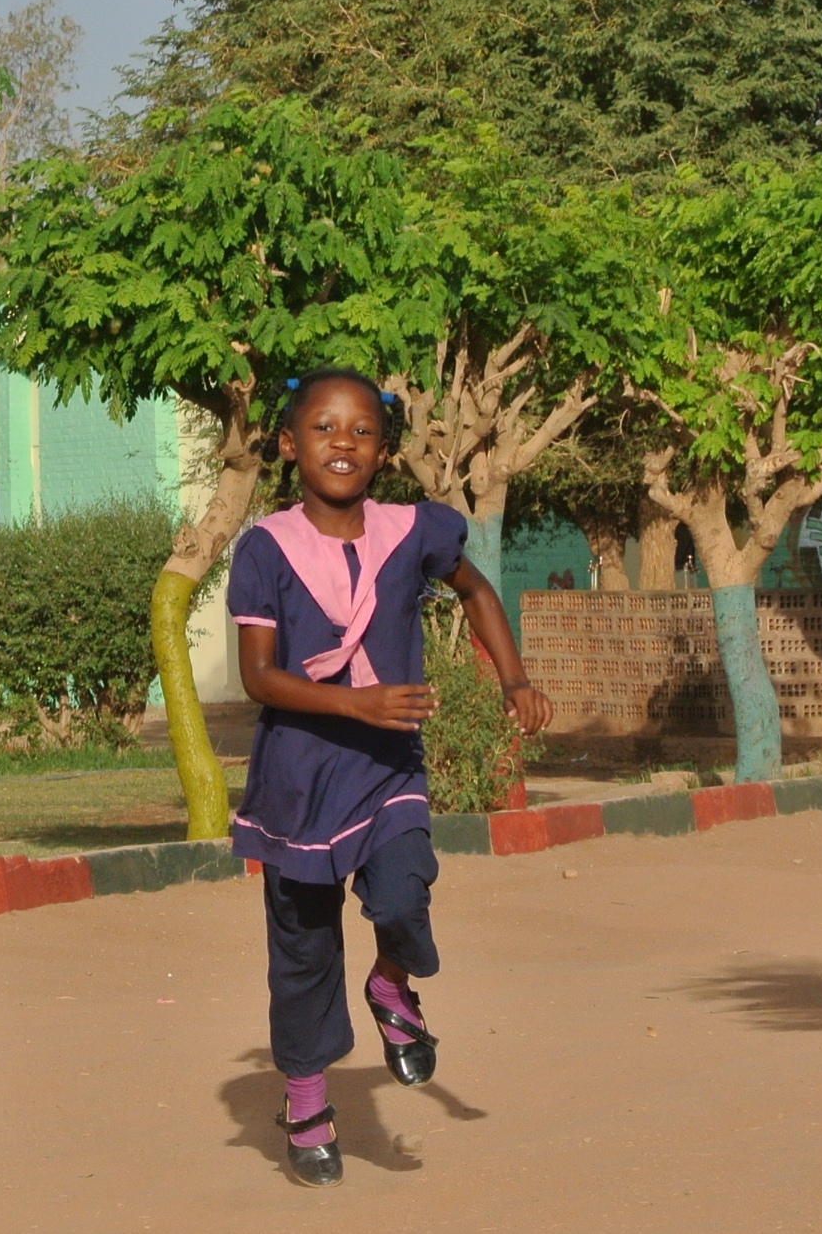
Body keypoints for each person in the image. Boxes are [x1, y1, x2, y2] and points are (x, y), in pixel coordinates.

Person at [227, 368, 554, 1189]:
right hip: (299, 779)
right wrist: (358, 701)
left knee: (405, 894)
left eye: (363, 430)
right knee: (302, 949)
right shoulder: (266, 547)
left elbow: (475, 590)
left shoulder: (412, 531)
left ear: (384, 449)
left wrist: (513, 678)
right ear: (288, 443)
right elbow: (259, 678)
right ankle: (307, 1104)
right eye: (324, 427)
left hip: (387, 770)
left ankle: (390, 980)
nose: (344, 442)